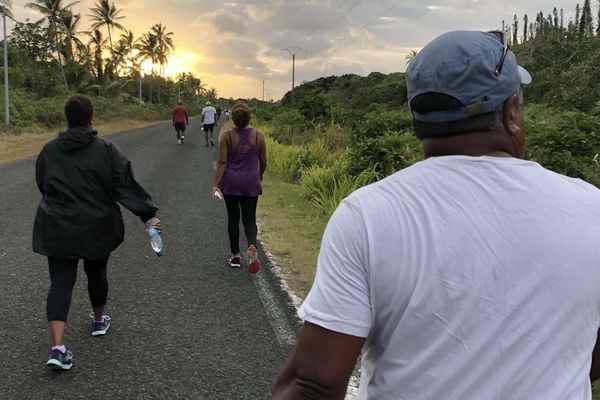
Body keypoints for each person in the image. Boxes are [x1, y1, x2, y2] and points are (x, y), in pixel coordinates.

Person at [272, 30, 600, 399]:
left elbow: (312, 385)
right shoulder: (592, 208)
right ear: (512, 114)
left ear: (418, 117)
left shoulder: (368, 215)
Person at [33, 94, 162, 371]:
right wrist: (147, 215)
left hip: (57, 225)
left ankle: (58, 347)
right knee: (97, 272)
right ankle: (98, 321)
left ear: (67, 118)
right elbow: (124, 185)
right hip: (97, 225)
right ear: (91, 117)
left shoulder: (49, 149)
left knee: (60, 282)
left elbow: (43, 183)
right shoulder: (106, 149)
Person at [212, 103, 267, 272]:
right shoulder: (258, 136)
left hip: (231, 182)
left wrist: (216, 184)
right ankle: (252, 246)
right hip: (251, 180)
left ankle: (235, 256)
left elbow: (222, 162)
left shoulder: (227, 136)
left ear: (233, 119)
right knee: (250, 219)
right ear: (249, 118)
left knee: (233, 218)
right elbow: (263, 161)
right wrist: (259, 175)